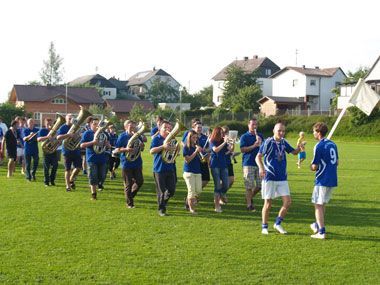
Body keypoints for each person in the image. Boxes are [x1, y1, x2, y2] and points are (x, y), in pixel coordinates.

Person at [255, 122, 301, 235]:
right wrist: (261, 168)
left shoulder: (284, 142)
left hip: (282, 177)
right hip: (269, 176)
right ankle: (264, 226)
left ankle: (278, 223)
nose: (281, 133)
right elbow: (258, 157)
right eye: (279, 131)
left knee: (288, 202)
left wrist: (299, 148)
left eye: (283, 131)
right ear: (274, 131)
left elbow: (293, 152)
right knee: (268, 203)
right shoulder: (268, 142)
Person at [309, 122, 338, 239]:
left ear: (319, 133)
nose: (313, 133)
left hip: (322, 179)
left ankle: (321, 231)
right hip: (332, 178)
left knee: (317, 205)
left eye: (314, 132)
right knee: (322, 204)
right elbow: (337, 162)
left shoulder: (318, 146)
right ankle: (317, 225)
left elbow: (314, 166)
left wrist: (311, 166)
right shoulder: (333, 144)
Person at [115, 120, 145, 208]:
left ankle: (130, 196)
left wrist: (142, 146)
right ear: (125, 127)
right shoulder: (122, 136)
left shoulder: (137, 136)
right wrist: (126, 149)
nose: (132, 128)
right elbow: (117, 149)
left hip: (137, 162)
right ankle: (130, 203)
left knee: (140, 181)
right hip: (126, 163)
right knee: (128, 184)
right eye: (130, 126)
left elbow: (141, 148)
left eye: (134, 127)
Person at [150, 120, 177, 216]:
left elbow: (175, 152)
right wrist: (163, 146)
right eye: (165, 127)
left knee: (172, 190)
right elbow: (152, 151)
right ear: (160, 129)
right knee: (161, 191)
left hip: (170, 167)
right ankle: (161, 209)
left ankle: (162, 203)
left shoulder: (172, 140)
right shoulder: (156, 139)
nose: (168, 129)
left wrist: (175, 151)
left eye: (169, 128)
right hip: (159, 168)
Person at [80, 118, 110, 200]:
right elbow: (82, 145)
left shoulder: (104, 134)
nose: (97, 126)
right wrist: (93, 142)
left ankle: (98, 185)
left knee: (102, 176)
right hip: (91, 158)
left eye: (98, 124)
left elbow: (108, 145)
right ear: (90, 125)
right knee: (93, 176)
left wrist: (108, 145)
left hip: (102, 158)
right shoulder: (87, 133)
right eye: (94, 124)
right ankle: (94, 194)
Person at [240, 118, 264, 212]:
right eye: (252, 124)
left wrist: (261, 144)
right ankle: (249, 204)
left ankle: (249, 198)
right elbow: (242, 150)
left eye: (255, 125)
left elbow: (264, 149)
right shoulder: (244, 136)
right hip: (248, 163)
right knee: (249, 186)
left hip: (259, 164)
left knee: (260, 185)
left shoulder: (260, 135)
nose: (254, 126)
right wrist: (254, 145)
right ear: (248, 125)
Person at [57, 114, 82, 192]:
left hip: (76, 150)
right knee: (67, 169)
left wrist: (77, 135)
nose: (71, 120)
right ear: (66, 119)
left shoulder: (76, 127)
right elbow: (58, 137)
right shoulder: (63, 127)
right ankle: (68, 186)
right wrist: (68, 135)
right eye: (69, 118)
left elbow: (80, 136)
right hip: (67, 150)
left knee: (78, 168)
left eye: (72, 118)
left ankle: (71, 179)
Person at [209, 126, 231, 213]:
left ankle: (221, 194)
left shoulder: (223, 141)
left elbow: (229, 151)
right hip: (215, 165)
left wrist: (230, 144)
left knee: (226, 184)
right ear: (217, 133)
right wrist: (224, 143)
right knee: (217, 186)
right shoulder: (212, 141)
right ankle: (217, 206)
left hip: (223, 165)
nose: (223, 134)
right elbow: (216, 150)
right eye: (221, 133)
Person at [182, 130, 203, 214]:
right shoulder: (186, 148)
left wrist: (202, 154)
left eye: (196, 137)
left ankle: (188, 200)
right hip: (189, 172)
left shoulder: (196, 146)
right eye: (193, 137)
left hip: (197, 171)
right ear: (189, 138)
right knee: (191, 191)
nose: (195, 139)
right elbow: (188, 160)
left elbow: (201, 159)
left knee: (198, 190)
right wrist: (195, 152)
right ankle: (191, 209)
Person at [37, 118, 59, 187]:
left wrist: (55, 140)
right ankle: (46, 182)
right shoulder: (42, 130)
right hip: (46, 151)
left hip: (53, 151)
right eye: (48, 123)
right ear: (45, 124)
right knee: (46, 167)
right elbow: (38, 139)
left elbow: (58, 141)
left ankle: (52, 180)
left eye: (50, 123)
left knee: (55, 166)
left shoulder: (55, 131)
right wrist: (47, 137)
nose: (49, 125)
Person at [221, 126, 235, 190]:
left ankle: (221, 193)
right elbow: (222, 153)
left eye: (227, 132)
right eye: (224, 132)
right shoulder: (219, 141)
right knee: (224, 181)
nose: (226, 134)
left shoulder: (228, 140)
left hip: (228, 162)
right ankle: (219, 195)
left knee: (231, 180)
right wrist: (230, 151)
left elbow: (231, 150)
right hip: (222, 162)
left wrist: (233, 144)